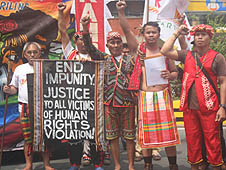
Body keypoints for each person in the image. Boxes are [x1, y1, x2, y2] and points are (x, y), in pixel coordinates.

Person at [116, 1, 183, 170]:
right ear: (144, 34)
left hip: (163, 94)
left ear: (158, 34)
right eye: (148, 32)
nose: (151, 35)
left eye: (154, 32)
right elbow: (126, 30)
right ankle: (148, 165)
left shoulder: (165, 51)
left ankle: (173, 165)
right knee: (146, 133)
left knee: (169, 133)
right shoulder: (138, 50)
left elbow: (175, 74)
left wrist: (170, 75)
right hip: (145, 96)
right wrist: (121, 12)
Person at [160, 24, 226, 170]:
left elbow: (223, 82)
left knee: (213, 142)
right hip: (189, 108)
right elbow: (164, 50)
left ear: (210, 37)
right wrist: (177, 32)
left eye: (203, 34)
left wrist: (222, 107)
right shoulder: (186, 55)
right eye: (197, 35)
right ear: (193, 38)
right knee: (193, 142)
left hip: (210, 107)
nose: (200, 37)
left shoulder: (218, 57)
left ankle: (216, 166)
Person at [81, 15, 136, 170]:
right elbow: (89, 47)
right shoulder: (103, 58)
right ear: (107, 44)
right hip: (109, 103)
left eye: (118, 42)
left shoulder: (130, 60)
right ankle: (117, 165)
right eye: (112, 42)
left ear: (121, 43)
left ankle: (131, 165)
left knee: (130, 137)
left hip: (128, 103)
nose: (116, 44)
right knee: (112, 137)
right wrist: (85, 29)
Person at [58, 3, 104, 170]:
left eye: (85, 39)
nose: (83, 42)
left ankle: (97, 164)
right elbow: (63, 31)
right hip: (74, 101)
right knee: (75, 136)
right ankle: (75, 164)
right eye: (79, 39)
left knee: (94, 135)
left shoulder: (96, 55)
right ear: (75, 41)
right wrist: (59, 12)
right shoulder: (70, 54)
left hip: (93, 100)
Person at [3, 42, 54, 170]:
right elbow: (15, 88)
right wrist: (9, 90)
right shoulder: (20, 69)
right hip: (25, 108)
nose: (32, 55)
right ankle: (28, 164)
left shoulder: (46, 67)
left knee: (44, 137)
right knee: (28, 138)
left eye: (35, 52)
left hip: (43, 108)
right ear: (25, 55)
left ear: (39, 53)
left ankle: (47, 164)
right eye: (29, 53)